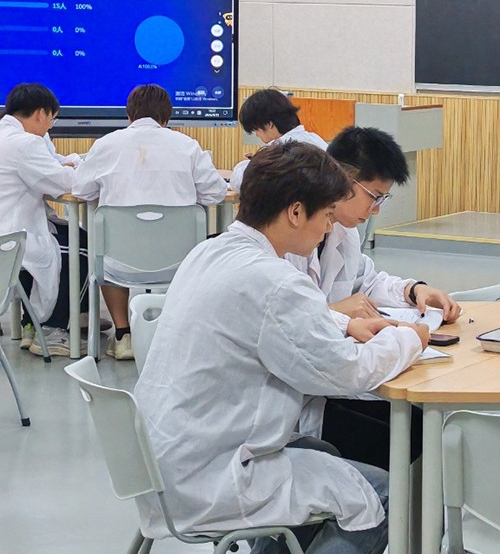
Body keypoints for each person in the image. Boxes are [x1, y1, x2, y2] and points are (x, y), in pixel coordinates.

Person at [134, 142, 429, 554]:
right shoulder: (274, 280)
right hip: (213, 476)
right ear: (295, 212)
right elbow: (346, 372)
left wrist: (348, 324)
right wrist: (409, 339)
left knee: (322, 454)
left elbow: (284, 331)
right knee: (380, 496)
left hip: (164, 460)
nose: (328, 228)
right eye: (327, 215)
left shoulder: (210, 251)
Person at [294, 126, 459, 468]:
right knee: (412, 443)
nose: (376, 210)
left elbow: (365, 280)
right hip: (296, 402)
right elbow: (288, 318)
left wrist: (413, 290)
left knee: (426, 429)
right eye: (374, 196)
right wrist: (338, 314)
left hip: (326, 385)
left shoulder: (343, 232)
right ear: (342, 178)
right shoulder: (290, 243)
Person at [72, 84, 228, 360]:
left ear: (129, 115)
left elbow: (80, 191)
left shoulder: (105, 145)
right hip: (179, 263)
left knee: (105, 250)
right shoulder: (188, 146)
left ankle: (123, 336)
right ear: (166, 118)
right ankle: (175, 334)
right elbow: (215, 193)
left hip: (118, 265)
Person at [0, 83, 80, 355]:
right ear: (40, 113)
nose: (50, 127)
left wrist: (58, 166)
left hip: (7, 233)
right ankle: (50, 329)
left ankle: (31, 324)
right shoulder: (26, 143)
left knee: (65, 239)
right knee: (81, 246)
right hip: (12, 239)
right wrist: (75, 167)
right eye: (51, 119)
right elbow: (66, 183)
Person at [229, 88, 328, 194]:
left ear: (269, 124)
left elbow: (243, 182)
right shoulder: (315, 139)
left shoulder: (280, 149)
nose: (257, 134)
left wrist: (254, 163)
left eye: (256, 129)